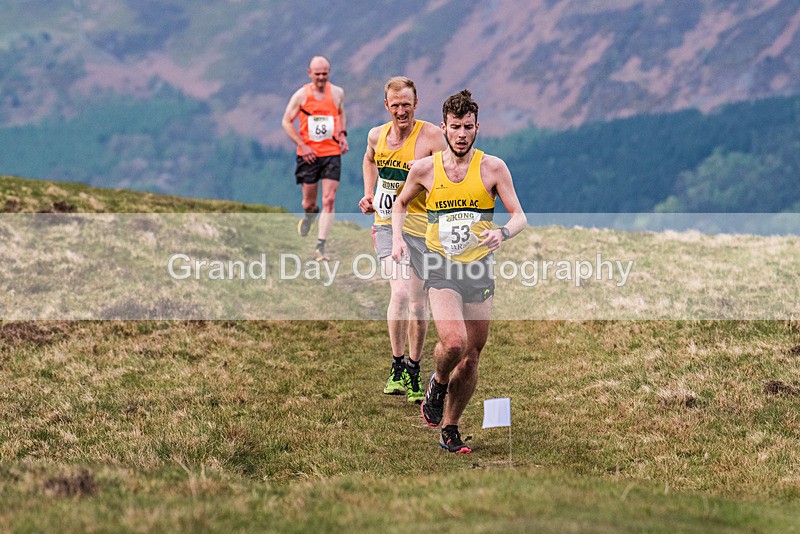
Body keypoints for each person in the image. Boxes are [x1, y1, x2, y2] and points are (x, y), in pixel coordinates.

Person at [392, 89, 527, 454]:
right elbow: (400, 204)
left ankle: (450, 427)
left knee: (472, 355)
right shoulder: (425, 169)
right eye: (455, 127)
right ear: (444, 128)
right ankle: (437, 381)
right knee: (454, 343)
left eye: (468, 127)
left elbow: (520, 216)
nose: (462, 134)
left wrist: (502, 232)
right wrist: (397, 240)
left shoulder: (493, 168)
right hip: (441, 266)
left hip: (479, 270)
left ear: (477, 127)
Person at [359, 76, 447, 403]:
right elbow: (369, 159)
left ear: (416, 104)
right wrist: (369, 193)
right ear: (386, 105)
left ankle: (413, 366)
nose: (400, 111)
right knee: (399, 292)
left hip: (423, 229)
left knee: (418, 302)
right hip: (387, 224)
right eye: (394, 105)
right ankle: (397, 365)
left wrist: (424, 170)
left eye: (406, 105)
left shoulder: (431, 136)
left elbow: (452, 172)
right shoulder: (376, 136)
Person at [281, 55, 349, 261]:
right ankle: (309, 216)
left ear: (329, 73)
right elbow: (286, 122)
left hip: (331, 153)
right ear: (309, 73)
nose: (321, 78)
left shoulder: (337, 93)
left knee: (329, 200)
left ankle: (321, 246)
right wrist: (302, 145)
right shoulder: (301, 95)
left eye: (324, 74)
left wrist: (343, 135)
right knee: (309, 203)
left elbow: (341, 113)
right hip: (308, 156)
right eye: (317, 74)